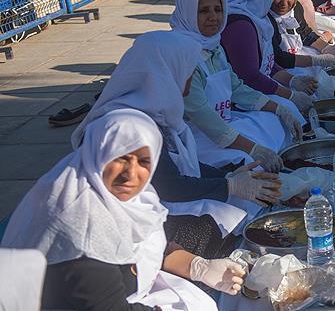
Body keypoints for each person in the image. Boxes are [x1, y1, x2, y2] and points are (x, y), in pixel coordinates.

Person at [1, 108, 245, 310]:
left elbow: (156, 241)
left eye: (144, 161)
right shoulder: (79, 231)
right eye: (120, 158)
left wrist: (197, 266)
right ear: (97, 153)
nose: (131, 174)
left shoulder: (113, 194)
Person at [69, 31, 261, 251]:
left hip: (150, 205)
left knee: (234, 208)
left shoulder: (153, 110)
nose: (190, 78)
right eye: (187, 71)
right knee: (215, 225)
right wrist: (229, 185)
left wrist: (226, 175)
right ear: (167, 73)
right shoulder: (128, 128)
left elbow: (175, 166)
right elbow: (169, 185)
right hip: (122, 230)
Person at [171, 0, 301, 171]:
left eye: (218, 9)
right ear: (188, 14)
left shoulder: (213, 46)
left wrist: (280, 109)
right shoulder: (182, 56)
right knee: (247, 161)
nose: (213, 17)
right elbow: (203, 117)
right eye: (203, 11)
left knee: (272, 122)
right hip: (196, 137)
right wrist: (254, 149)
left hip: (223, 121)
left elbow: (237, 88)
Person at [220, 0, 314, 118]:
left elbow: (267, 64)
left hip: (254, 91)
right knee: (285, 114)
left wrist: (293, 80)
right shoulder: (240, 25)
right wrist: (290, 95)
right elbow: (250, 76)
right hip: (236, 102)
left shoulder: (257, 18)